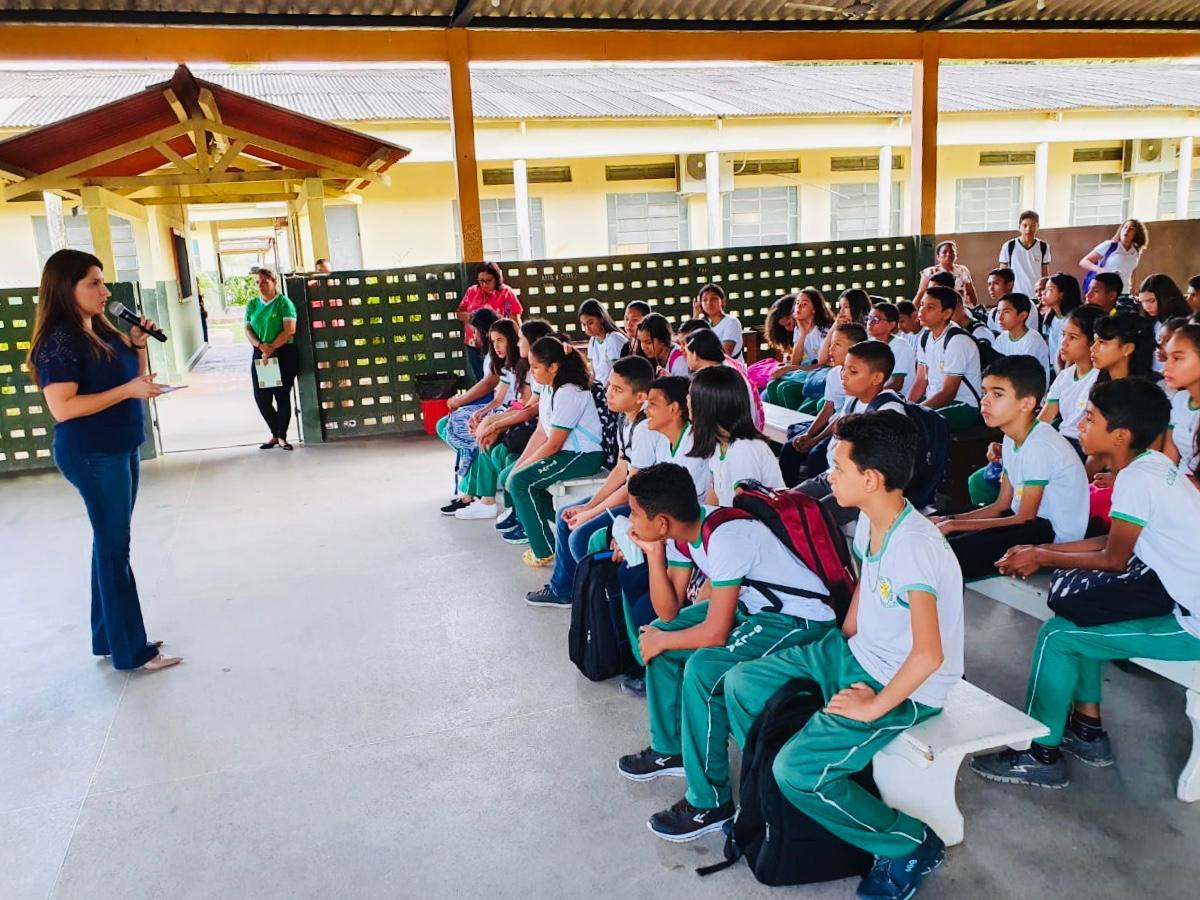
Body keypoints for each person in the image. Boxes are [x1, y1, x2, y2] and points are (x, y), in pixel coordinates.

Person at [724, 412, 963, 900]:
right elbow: (866, 589)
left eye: (838, 466)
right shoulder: (874, 521)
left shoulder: (915, 546)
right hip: (854, 653)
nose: (830, 475)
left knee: (798, 772)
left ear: (870, 479)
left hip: (902, 685)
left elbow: (928, 655)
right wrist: (847, 631)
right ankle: (784, 799)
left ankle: (908, 844)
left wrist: (873, 706)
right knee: (741, 685)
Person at [972, 379, 1200, 788]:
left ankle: (1039, 753)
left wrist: (1041, 554)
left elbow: (1113, 559)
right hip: (1178, 599)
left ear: (1121, 435)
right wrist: (1038, 548)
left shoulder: (1136, 479)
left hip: (1191, 624)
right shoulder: (1153, 465)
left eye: (1090, 418)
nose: (1079, 424)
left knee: (1058, 636)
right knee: (1086, 611)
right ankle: (1088, 732)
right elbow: (1115, 541)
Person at [615, 462, 836, 842]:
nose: (629, 517)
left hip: (797, 620)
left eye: (635, 512)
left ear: (663, 520)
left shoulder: (727, 538)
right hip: (755, 608)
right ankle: (671, 750)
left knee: (703, 667)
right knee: (664, 632)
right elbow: (668, 613)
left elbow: (716, 633)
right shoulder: (685, 533)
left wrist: (662, 640)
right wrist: (654, 553)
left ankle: (709, 804)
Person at [28, 249, 181, 672]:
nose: (105, 290)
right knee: (116, 549)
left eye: (103, 281)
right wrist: (126, 392)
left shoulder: (102, 329)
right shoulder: (60, 340)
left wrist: (138, 344)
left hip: (119, 444)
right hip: (92, 453)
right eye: (93, 283)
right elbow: (63, 408)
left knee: (107, 543)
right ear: (65, 288)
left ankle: (108, 636)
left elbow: (135, 377)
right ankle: (133, 651)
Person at [934, 356, 1088, 579]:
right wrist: (950, 521)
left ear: (1027, 403)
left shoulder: (1039, 445)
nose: (985, 401)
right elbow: (1001, 505)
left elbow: (1024, 518)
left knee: (951, 553)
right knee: (937, 521)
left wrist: (953, 526)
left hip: (1049, 535)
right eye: (984, 392)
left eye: (997, 394)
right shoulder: (1009, 437)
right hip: (1024, 521)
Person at [525, 355, 656, 608]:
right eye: (609, 386)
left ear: (641, 397)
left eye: (617, 390)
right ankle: (564, 590)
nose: (608, 394)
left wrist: (591, 512)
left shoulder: (644, 428)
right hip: (632, 494)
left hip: (644, 504)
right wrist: (588, 507)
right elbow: (620, 469)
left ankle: (601, 596)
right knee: (566, 514)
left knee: (580, 536)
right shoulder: (623, 419)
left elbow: (633, 487)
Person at [504, 337, 605, 567]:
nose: (532, 372)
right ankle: (562, 530)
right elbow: (543, 432)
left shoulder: (569, 391)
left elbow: (554, 444)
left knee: (520, 482)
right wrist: (522, 463)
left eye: (536, 367)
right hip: (566, 454)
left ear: (554, 367)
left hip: (582, 456)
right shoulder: (551, 388)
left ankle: (543, 550)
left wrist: (522, 468)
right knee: (516, 478)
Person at [794, 341, 907, 524]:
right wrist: (813, 439)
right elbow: (838, 425)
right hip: (833, 476)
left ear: (877, 378)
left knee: (809, 521)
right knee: (786, 504)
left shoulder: (889, 412)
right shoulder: (853, 400)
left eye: (853, 372)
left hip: (863, 490)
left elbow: (879, 469)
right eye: (844, 369)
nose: (844, 376)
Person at [484, 319, 557, 542]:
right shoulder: (532, 369)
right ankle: (518, 512)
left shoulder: (550, 378)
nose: (517, 344)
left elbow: (529, 412)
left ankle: (529, 522)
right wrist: (492, 422)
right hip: (539, 433)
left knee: (512, 468)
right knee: (500, 454)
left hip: (551, 439)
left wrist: (495, 424)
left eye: (520, 340)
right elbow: (527, 407)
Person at [451, 318, 525, 520]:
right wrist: (482, 413)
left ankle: (490, 501)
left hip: (519, 418)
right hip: (509, 412)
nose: (496, 346)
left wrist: (494, 424)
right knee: (477, 433)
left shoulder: (524, 366)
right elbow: (498, 399)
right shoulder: (508, 365)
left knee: (488, 443)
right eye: (493, 341)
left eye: (500, 340)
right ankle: (479, 497)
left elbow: (525, 406)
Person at [778, 322, 867, 485]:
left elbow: (841, 418)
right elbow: (827, 410)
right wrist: (807, 435)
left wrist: (815, 439)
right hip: (833, 422)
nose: (830, 350)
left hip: (847, 427)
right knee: (791, 447)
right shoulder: (834, 373)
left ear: (855, 348)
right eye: (830, 344)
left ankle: (816, 500)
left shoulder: (859, 378)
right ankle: (787, 496)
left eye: (837, 345)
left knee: (817, 456)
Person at [437, 307, 503, 515]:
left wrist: (461, 401)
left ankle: (475, 495)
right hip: (498, 407)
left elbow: (489, 383)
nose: (473, 337)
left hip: (504, 409)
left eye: (475, 331)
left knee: (476, 438)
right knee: (450, 426)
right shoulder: (489, 355)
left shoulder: (497, 357)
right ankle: (468, 490)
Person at [687, 365, 783, 506]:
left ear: (708, 406)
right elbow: (714, 499)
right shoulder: (720, 444)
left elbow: (745, 513)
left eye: (691, 396)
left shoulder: (743, 449)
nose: (687, 400)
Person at [910, 286, 982, 431]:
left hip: (963, 405)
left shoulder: (957, 340)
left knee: (918, 425)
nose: (921, 311)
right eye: (922, 305)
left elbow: (948, 393)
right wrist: (906, 406)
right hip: (935, 401)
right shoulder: (924, 336)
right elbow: (920, 381)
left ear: (947, 313)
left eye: (930, 307)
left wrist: (916, 411)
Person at [244, 266, 299, 451]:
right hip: (262, 355)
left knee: (282, 396)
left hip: (283, 354)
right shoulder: (252, 304)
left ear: (274, 282)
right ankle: (275, 433)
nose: (261, 286)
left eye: (265, 282)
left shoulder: (284, 303)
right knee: (262, 398)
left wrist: (271, 347)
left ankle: (281, 436)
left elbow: (289, 330)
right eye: (258, 283)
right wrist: (262, 347)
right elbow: (248, 329)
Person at [1040, 305, 1105, 458]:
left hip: (1083, 446)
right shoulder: (1065, 376)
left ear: (1092, 342)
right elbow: (1044, 418)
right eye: (1063, 335)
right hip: (1062, 440)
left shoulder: (1100, 378)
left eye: (1073, 337)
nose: (1063, 342)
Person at [763, 287, 834, 409]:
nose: (798, 307)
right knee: (772, 385)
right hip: (811, 369)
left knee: (784, 388)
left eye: (804, 304)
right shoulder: (799, 329)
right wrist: (803, 334)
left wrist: (789, 368)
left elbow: (823, 364)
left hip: (824, 371)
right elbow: (796, 361)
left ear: (814, 309)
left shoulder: (825, 329)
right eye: (797, 303)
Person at [457, 261, 523, 380]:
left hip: (498, 345)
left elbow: (515, 321)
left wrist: (520, 342)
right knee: (481, 379)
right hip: (474, 345)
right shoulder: (472, 291)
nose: (484, 284)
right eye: (481, 281)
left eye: (488, 280)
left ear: (497, 278)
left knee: (499, 378)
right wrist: (475, 318)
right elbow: (460, 313)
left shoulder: (506, 293)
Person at [1163, 323, 1200, 476]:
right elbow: (1169, 457)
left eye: (1177, 358)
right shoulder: (1179, 400)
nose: (1167, 366)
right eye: (1167, 357)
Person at [1137, 273, 1190, 373]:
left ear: (1166, 298)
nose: (1146, 307)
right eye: (1142, 302)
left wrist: (1168, 356)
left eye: (1151, 301)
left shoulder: (1183, 324)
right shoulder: (1150, 322)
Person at [991, 293, 1050, 381]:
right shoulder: (1001, 339)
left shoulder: (1033, 340)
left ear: (1022, 315)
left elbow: (1025, 377)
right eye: (999, 312)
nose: (1000, 318)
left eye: (1006, 312)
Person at [1079, 218, 1148, 294]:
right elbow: (1084, 261)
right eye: (1125, 227)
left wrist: (1133, 291)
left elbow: (1132, 272)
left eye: (1131, 229)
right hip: (1103, 291)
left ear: (1136, 234)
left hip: (1123, 293)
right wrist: (1100, 269)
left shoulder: (1135, 252)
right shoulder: (1110, 245)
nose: (1126, 230)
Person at [746, 294, 796, 391]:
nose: (788, 328)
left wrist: (788, 367)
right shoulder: (789, 335)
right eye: (784, 326)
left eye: (789, 324)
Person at [999, 210, 1052, 298]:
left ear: (1038, 227)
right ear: (1019, 227)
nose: (1028, 229)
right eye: (1025, 225)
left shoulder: (1043, 246)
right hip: (1015, 295)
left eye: (1033, 226)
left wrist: (1045, 293)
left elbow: (1045, 274)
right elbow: (1002, 274)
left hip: (1036, 296)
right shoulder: (1009, 246)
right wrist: (1004, 295)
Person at [867, 301, 916, 397]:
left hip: (896, 398)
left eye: (876, 319)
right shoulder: (869, 342)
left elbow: (897, 384)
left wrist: (871, 394)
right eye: (869, 318)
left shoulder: (900, 346)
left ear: (892, 325)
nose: (870, 323)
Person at [914, 240, 978, 308]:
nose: (948, 254)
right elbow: (920, 293)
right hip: (938, 309)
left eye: (952, 252)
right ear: (938, 256)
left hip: (961, 308)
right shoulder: (930, 272)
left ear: (956, 255)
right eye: (944, 252)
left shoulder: (963, 270)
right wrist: (912, 312)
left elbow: (970, 291)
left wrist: (975, 308)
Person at [578, 298, 627, 385]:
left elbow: (619, 372)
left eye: (590, 323)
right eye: (584, 324)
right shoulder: (593, 342)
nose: (587, 328)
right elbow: (594, 373)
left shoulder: (613, 339)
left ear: (601, 318)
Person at [1040, 273, 1082, 369]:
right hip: (1054, 366)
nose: (1043, 292)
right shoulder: (1050, 317)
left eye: (1050, 289)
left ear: (1062, 294)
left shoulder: (1073, 321)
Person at [694, 283, 743, 359]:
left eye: (714, 299)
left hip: (728, 369)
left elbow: (725, 353)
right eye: (704, 300)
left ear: (723, 301)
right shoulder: (702, 324)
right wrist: (695, 316)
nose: (709, 303)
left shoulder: (731, 322)